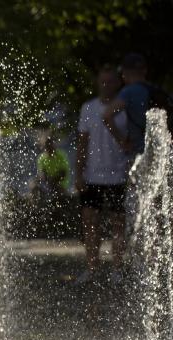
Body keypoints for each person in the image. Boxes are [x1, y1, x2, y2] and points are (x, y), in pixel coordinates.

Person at [75, 65, 131, 284]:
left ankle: (117, 268)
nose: (106, 86)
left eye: (110, 82)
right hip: (92, 176)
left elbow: (131, 142)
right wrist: (78, 174)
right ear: (98, 83)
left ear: (118, 83)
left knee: (118, 225)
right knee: (90, 225)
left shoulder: (125, 109)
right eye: (103, 82)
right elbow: (82, 143)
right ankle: (92, 267)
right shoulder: (88, 108)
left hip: (118, 175)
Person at [104, 53, 150, 156]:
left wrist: (122, 141)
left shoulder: (128, 92)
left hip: (139, 153)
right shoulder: (156, 91)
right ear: (145, 71)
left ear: (124, 73)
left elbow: (107, 115)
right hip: (158, 150)